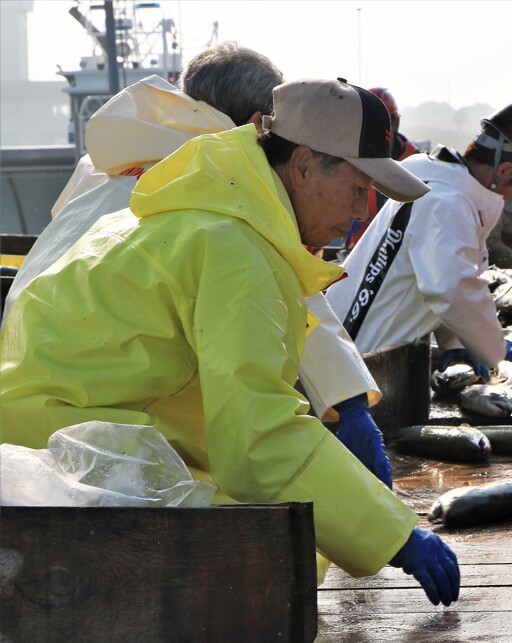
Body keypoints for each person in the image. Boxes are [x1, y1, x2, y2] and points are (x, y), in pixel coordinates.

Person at [0, 78, 460, 607]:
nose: (363, 209)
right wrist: (396, 535)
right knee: (266, 569)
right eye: (359, 188)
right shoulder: (233, 247)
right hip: (60, 454)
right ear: (306, 165)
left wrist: (347, 412)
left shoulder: (218, 211)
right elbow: (255, 441)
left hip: (70, 428)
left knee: (290, 536)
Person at [0, 44, 393, 489]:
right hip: (99, 424)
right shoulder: (217, 175)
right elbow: (276, 285)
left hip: (26, 384)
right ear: (257, 127)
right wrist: (351, 401)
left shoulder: (102, 162)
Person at [325, 102, 512, 379]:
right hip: (357, 354)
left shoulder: (439, 180)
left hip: (360, 344)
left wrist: (455, 342)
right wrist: (497, 349)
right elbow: (452, 289)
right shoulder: (448, 202)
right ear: (505, 170)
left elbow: (432, 275)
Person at [344, 86, 421, 250]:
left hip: (400, 254)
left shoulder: (417, 164)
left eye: (383, 122)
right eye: (368, 122)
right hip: (357, 252)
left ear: (395, 123)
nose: (374, 129)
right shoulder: (345, 158)